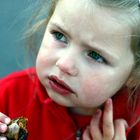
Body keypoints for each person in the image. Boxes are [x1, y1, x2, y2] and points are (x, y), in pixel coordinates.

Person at [0, 0, 140, 139]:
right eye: (59, 35)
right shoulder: (8, 96)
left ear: (133, 75)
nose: (63, 64)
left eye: (95, 55)